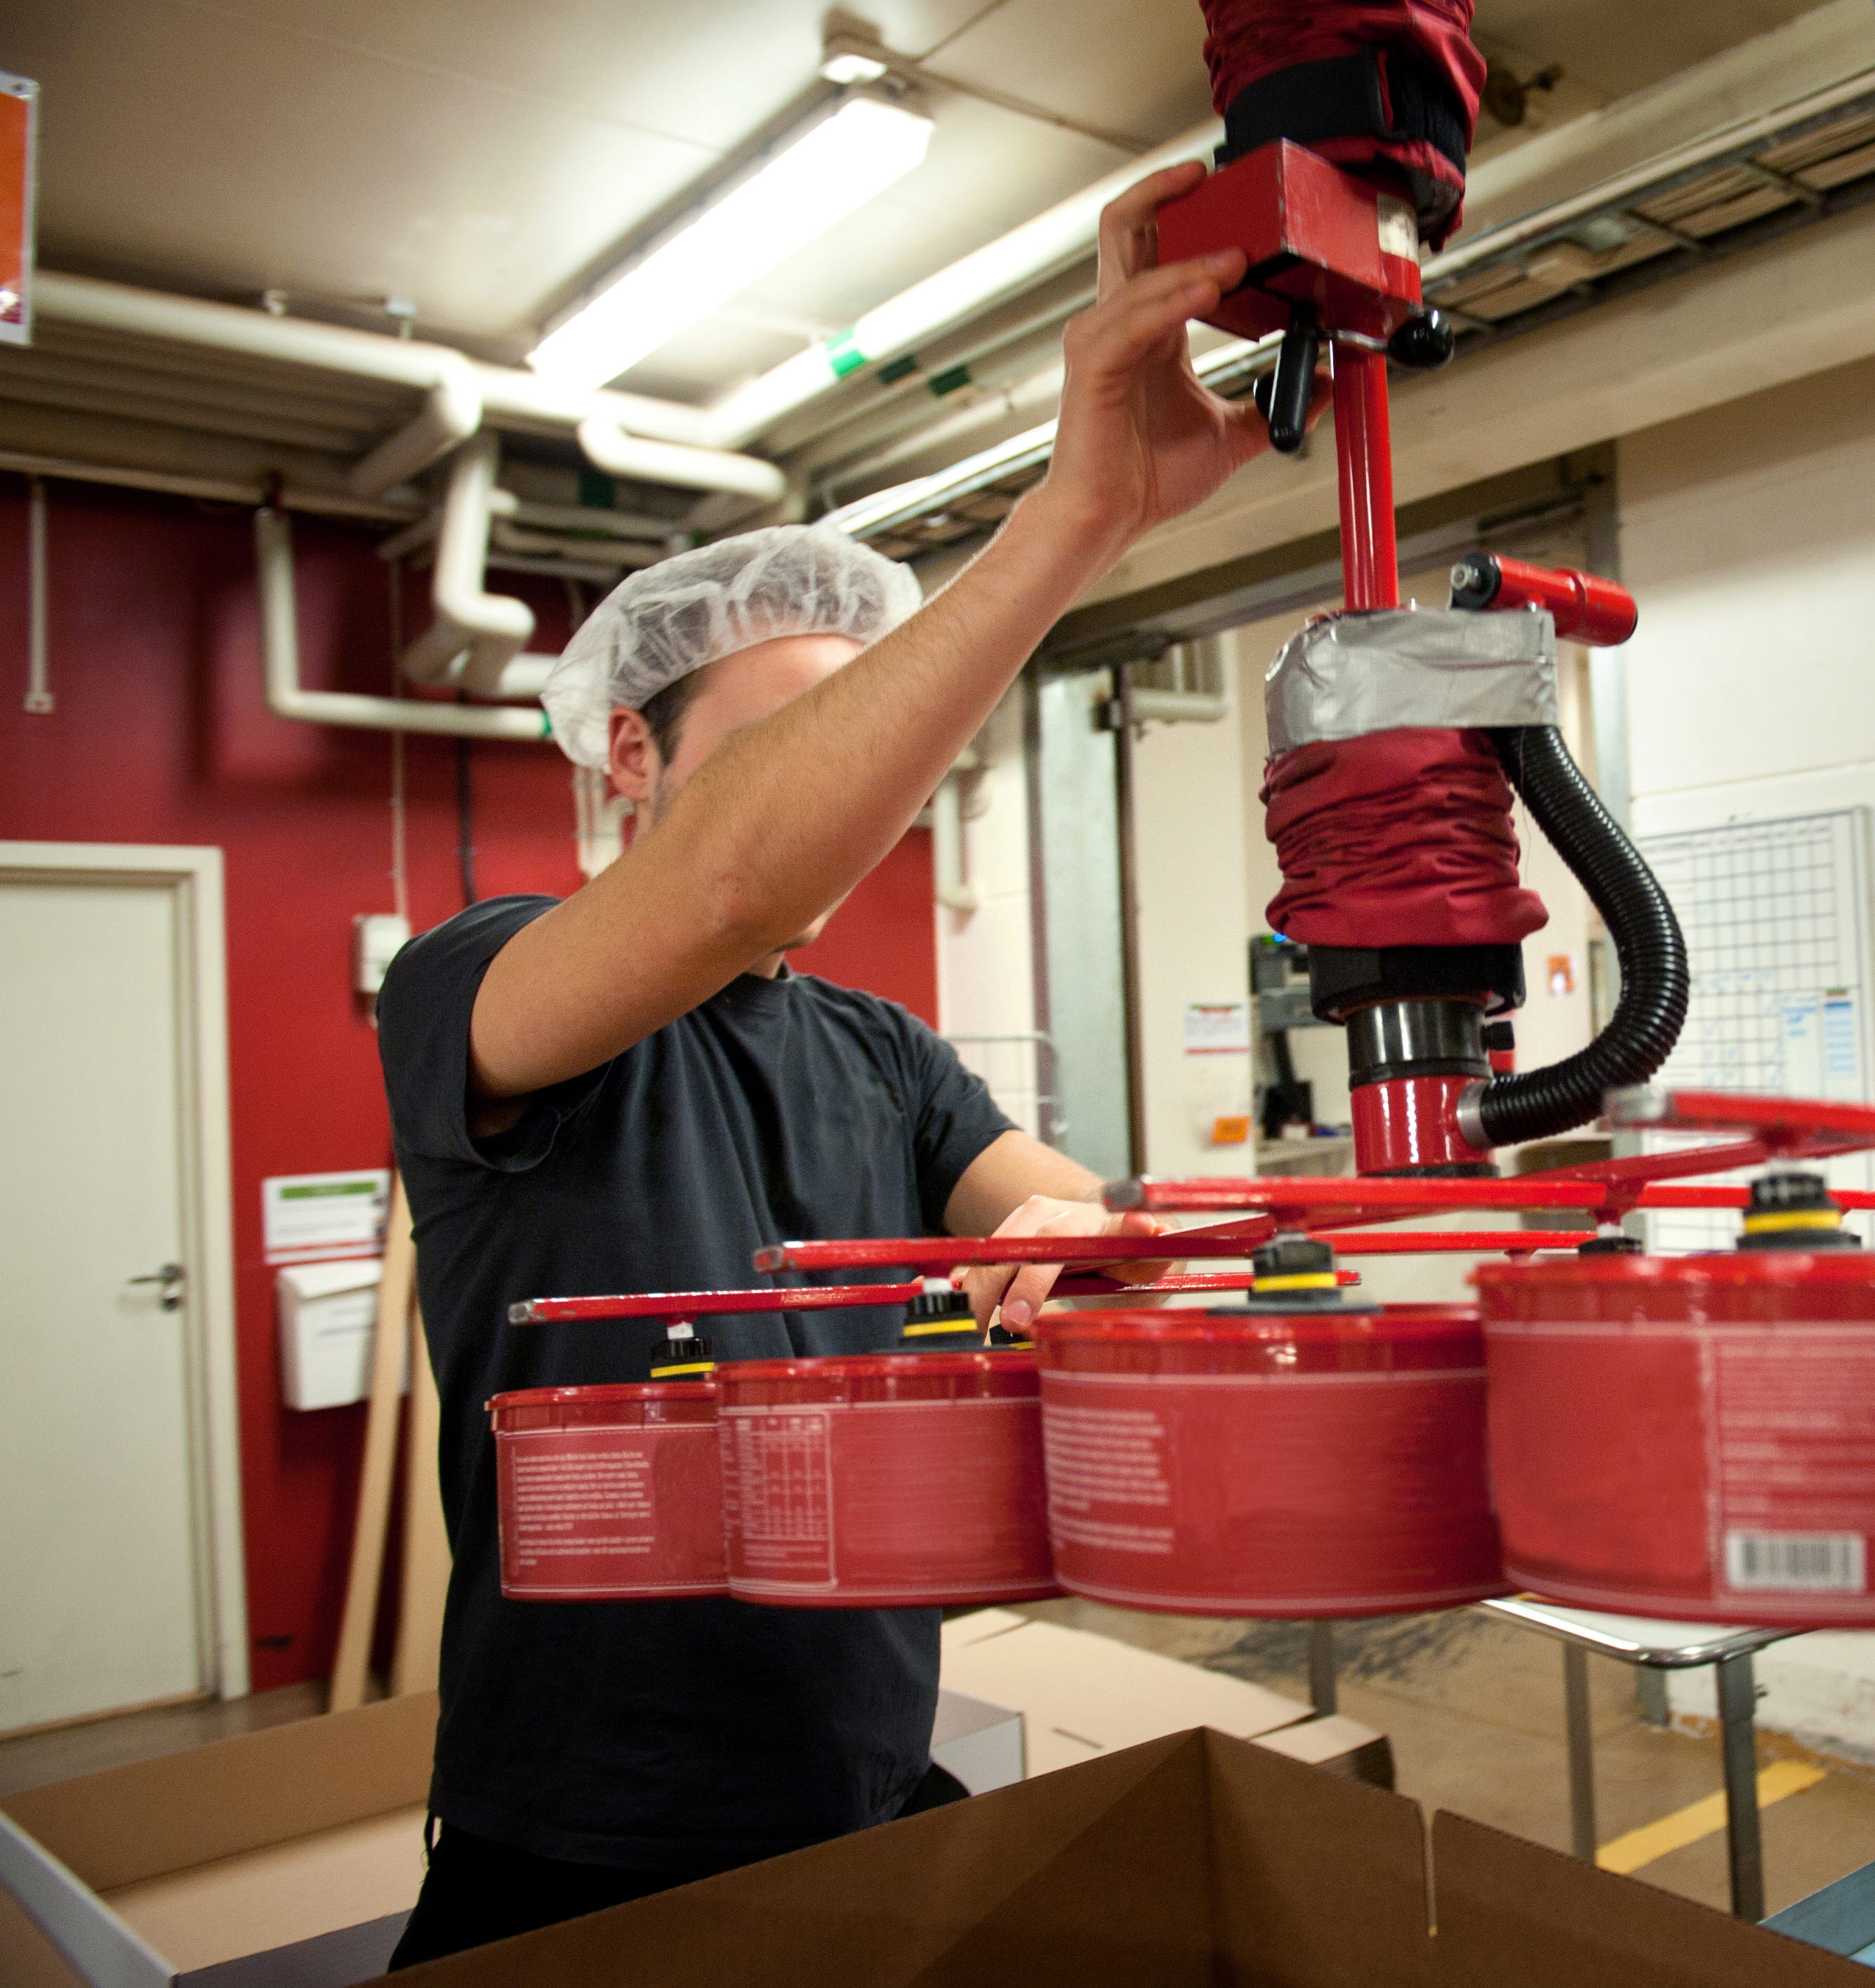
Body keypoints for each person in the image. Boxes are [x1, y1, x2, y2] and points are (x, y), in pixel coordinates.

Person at [374, 164, 1269, 1969]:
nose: (867, 798)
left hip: (862, 1778)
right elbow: (732, 885)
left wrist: (1095, 1241)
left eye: (889, 747)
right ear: (631, 754)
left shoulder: (881, 1051)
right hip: (584, 1839)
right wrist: (1079, 516)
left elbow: (1091, 1231)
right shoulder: (477, 983)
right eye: (811, 745)